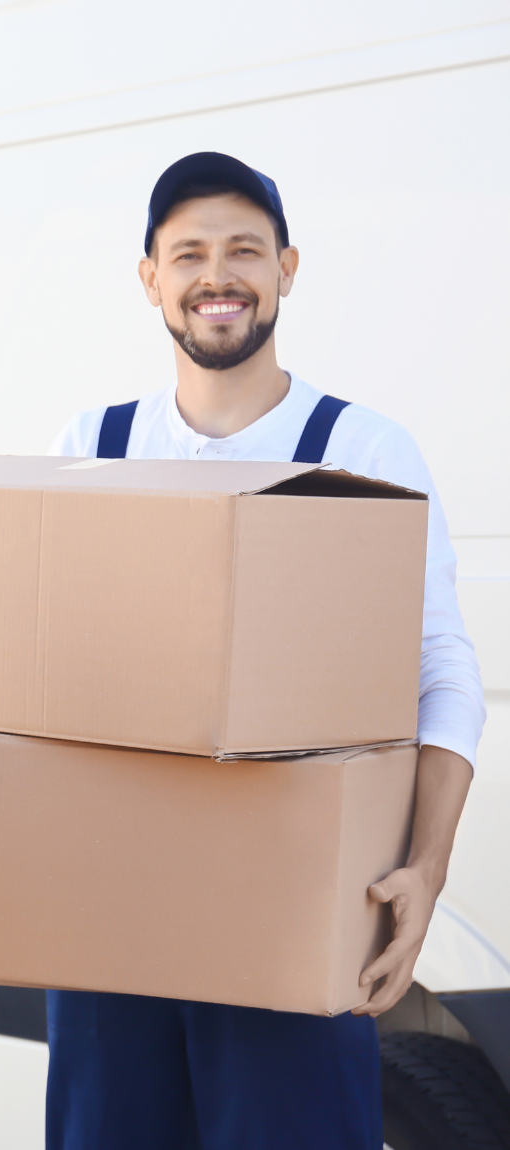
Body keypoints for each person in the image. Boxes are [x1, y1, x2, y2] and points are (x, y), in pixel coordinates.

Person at [46, 152, 486, 1148]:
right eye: (188, 252)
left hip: (294, 909)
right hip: (111, 925)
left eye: (243, 250)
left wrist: (423, 867)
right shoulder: (90, 447)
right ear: (148, 277)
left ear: (286, 267)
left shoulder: (359, 451)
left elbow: (441, 670)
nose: (218, 275)